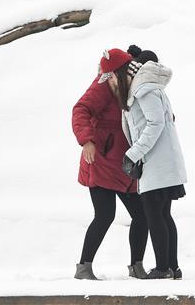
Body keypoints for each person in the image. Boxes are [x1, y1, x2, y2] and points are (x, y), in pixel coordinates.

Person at [71, 48, 149, 280]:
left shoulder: (130, 83)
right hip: (101, 160)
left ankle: (137, 266)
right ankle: (84, 267)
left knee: (142, 215)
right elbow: (81, 109)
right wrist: (87, 141)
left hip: (124, 164)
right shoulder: (104, 84)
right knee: (105, 215)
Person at [116, 46, 187, 280]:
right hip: (162, 162)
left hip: (156, 163)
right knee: (163, 215)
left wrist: (133, 153)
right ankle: (172, 267)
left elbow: (154, 124)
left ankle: (163, 268)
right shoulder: (153, 89)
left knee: (155, 215)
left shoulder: (144, 90)